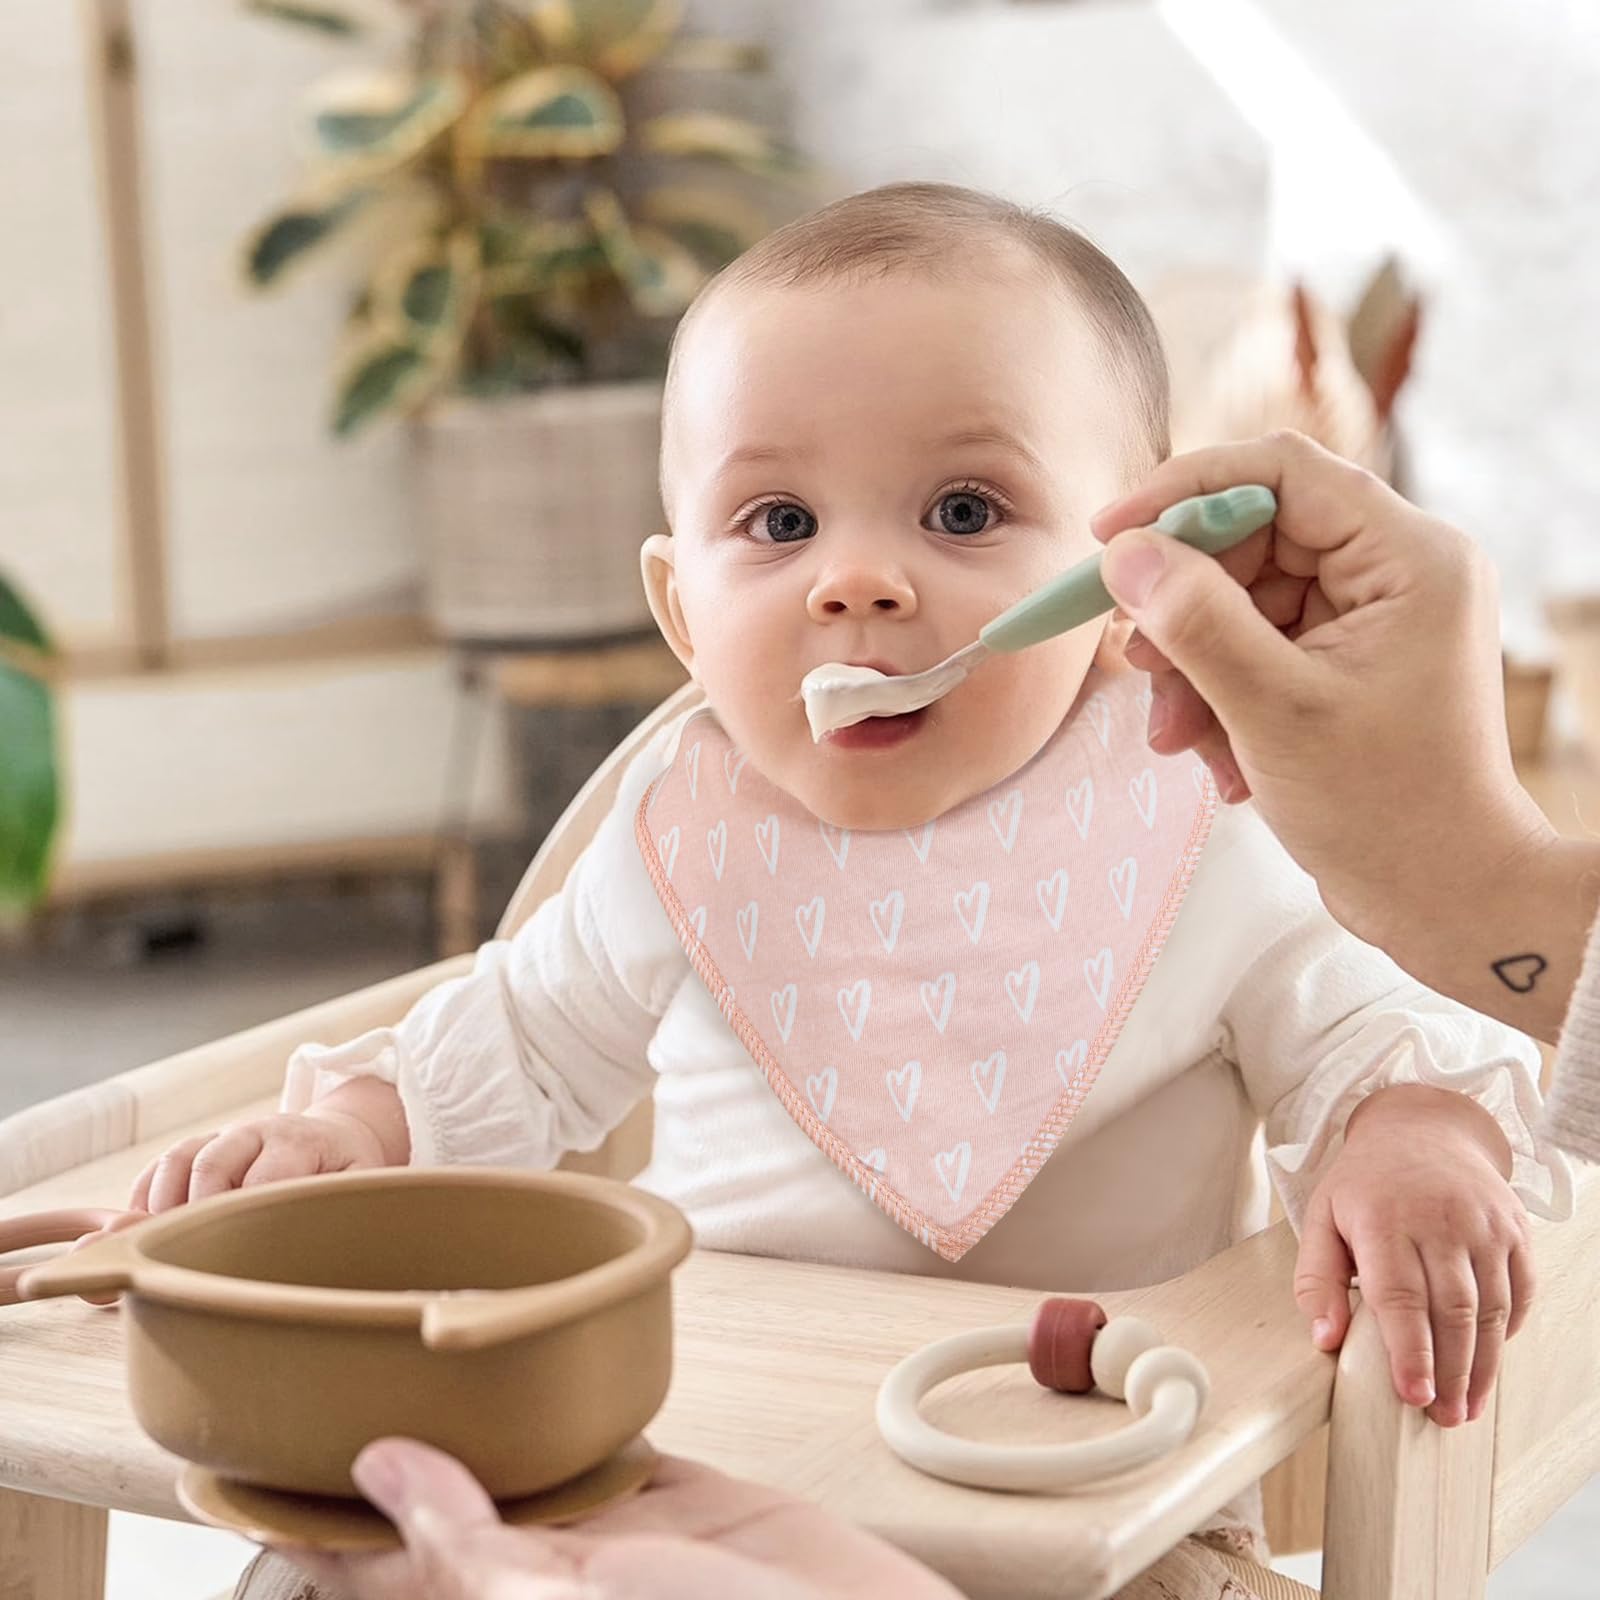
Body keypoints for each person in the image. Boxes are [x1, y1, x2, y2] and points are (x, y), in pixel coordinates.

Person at [157, 185, 1565, 1600]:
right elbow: (523, 1049)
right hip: (692, 1475)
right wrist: (355, 1124)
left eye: (965, 509)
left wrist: (1414, 1135)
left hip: (1097, 1497)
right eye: (777, 522)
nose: (859, 583)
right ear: (679, 613)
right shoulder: (678, 828)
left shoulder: (1203, 806)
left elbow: (1369, 1027)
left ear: (1133, 572)